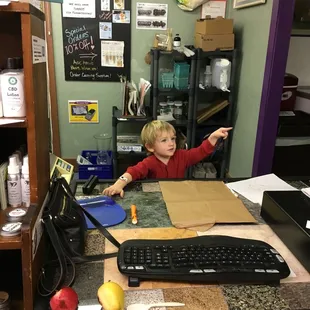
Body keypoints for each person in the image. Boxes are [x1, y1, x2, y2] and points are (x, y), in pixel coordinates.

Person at [103, 120, 232, 197]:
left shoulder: (182, 156)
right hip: (157, 198)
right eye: (164, 140)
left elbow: (200, 152)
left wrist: (213, 138)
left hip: (178, 196)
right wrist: (118, 185)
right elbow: (132, 172)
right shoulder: (150, 162)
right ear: (150, 147)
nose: (171, 143)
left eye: (173, 139)